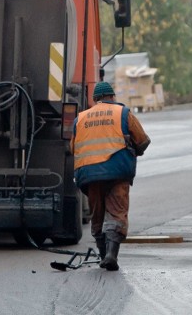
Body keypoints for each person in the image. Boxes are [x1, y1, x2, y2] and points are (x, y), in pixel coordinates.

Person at [72, 81, 151, 271]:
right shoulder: (122, 113)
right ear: (112, 97)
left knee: (96, 214)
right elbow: (143, 141)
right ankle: (111, 255)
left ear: (95, 100)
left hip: (89, 174)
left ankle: (102, 255)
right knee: (117, 212)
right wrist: (133, 151)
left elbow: (72, 148)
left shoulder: (80, 118)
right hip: (117, 171)